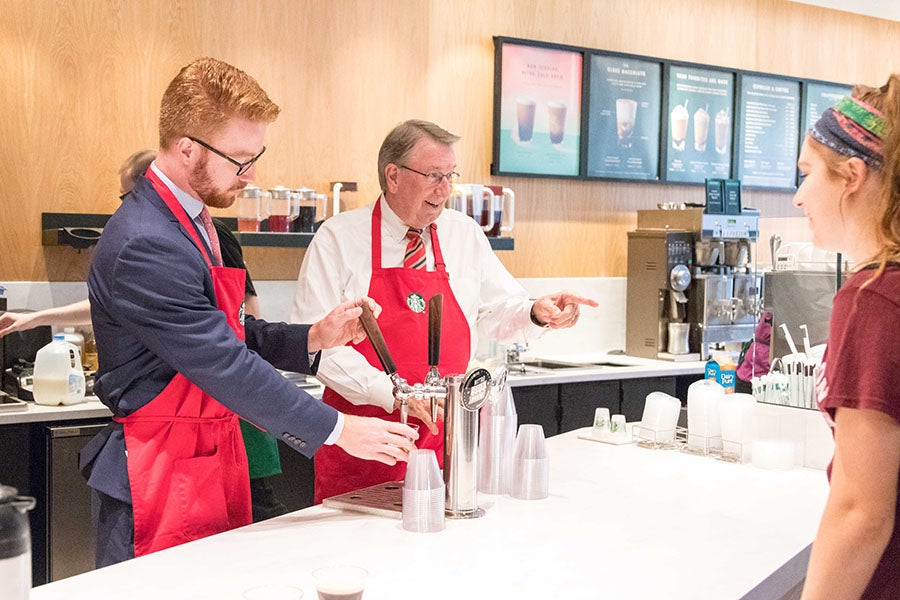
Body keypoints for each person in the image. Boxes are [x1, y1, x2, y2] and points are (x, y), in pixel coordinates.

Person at [81, 57, 416, 567]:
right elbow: (223, 363)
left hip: (204, 457)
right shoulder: (146, 241)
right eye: (240, 159)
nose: (252, 174)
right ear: (187, 147)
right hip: (157, 473)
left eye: (255, 155)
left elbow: (228, 330)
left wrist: (314, 336)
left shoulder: (190, 220)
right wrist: (340, 430)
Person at [291, 119, 598, 502]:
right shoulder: (338, 238)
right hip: (365, 440)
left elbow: (497, 308)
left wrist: (536, 312)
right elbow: (315, 343)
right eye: (434, 175)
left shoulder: (463, 233)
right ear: (393, 176)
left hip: (448, 438)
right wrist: (394, 394)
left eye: (450, 175)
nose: (445, 189)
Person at [1, 148, 289, 522]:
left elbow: (244, 319)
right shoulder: (148, 237)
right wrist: (37, 318)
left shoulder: (207, 237)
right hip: (190, 423)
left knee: (254, 524)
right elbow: (132, 307)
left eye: (126, 194)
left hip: (230, 414)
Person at [797, 77, 900, 599]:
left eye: (808, 174)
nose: (798, 197)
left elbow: (862, 510)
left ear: (852, 175)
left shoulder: (873, 299)